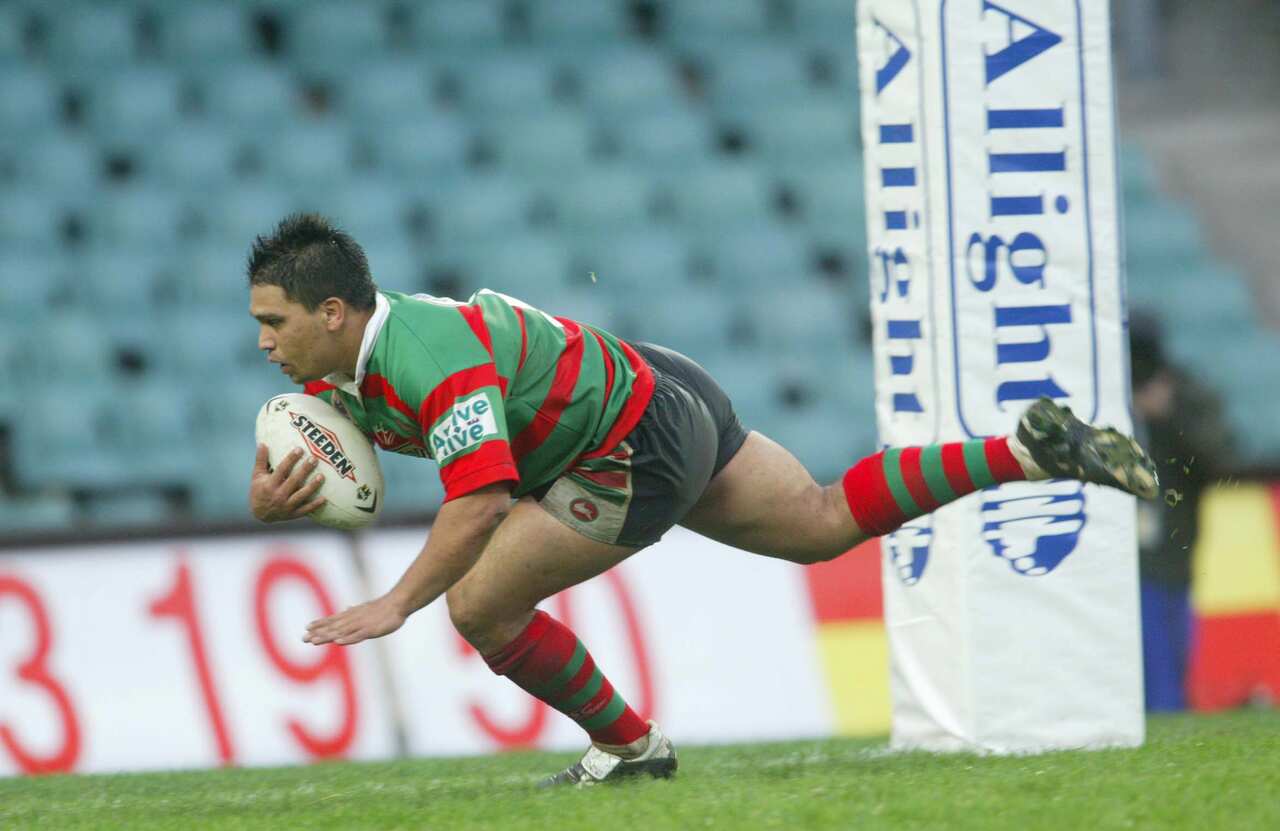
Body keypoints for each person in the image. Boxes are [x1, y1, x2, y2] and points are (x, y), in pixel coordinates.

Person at [247, 213, 1159, 786]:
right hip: (653, 383)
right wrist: (274, 500)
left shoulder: (425, 355)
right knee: (822, 524)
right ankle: (1026, 453)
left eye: (274, 322)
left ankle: (633, 750)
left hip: (625, 445)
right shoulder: (344, 375)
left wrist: (394, 603)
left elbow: (479, 501)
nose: (264, 343)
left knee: (478, 604)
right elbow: (334, 462)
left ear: (333, 313)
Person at [1129, 312, 1233, 710]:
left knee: (1171, 671)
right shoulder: (1105, 396)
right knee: (1152, 682)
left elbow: (1221, 462)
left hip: (1174, 555)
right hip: (1126, 561)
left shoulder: (1184, 394)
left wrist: (1169, 416)